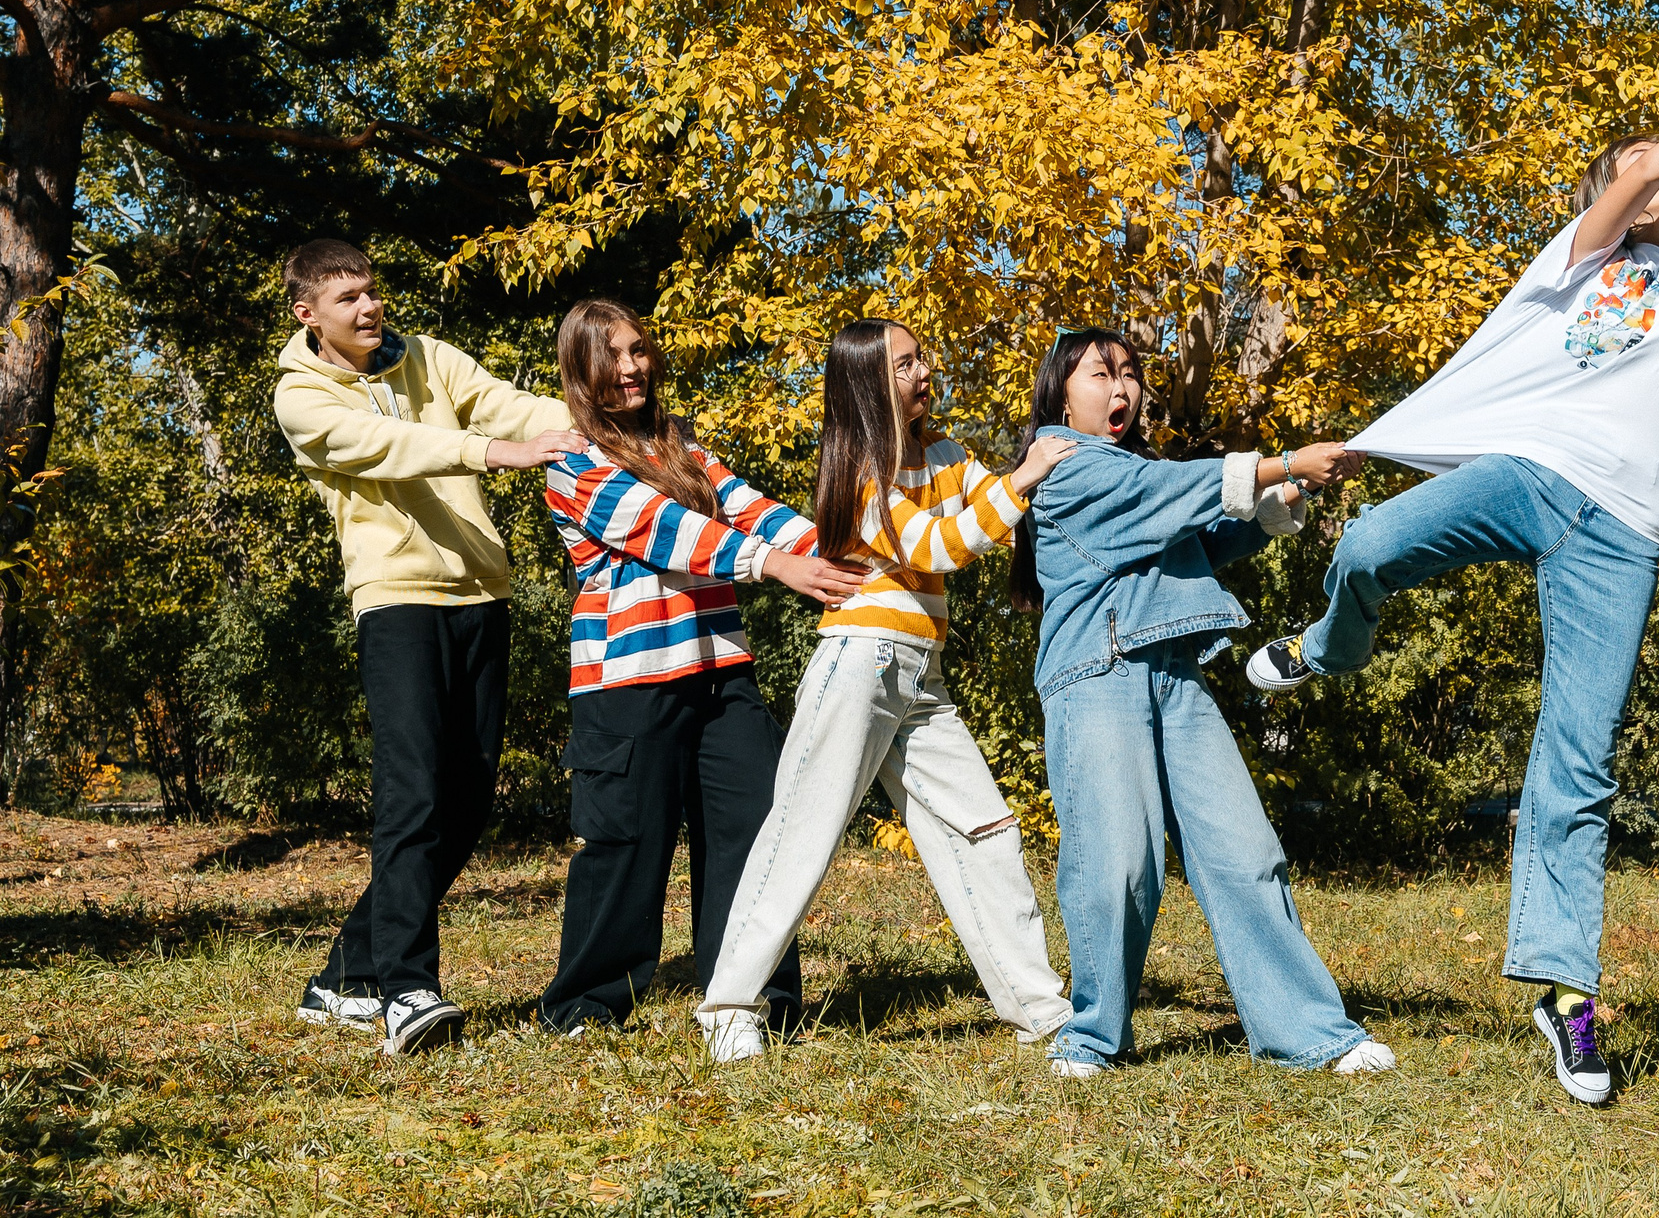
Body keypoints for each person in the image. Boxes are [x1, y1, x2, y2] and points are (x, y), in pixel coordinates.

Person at [1245, 0, 1659, 1104]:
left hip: (1620, 536)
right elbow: (1654, 169)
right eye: (1638, 162)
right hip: (1522, 477)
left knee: (1577, 760)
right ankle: (1331, 646)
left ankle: (1563, 991)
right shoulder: (1573, 264)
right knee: (1364, 547)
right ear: (1607, 192)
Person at [694, 318, 1081, 1062]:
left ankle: (1038, 1004)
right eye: (904, 364)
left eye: (921, 357)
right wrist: (1026, 476)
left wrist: (1043, 468)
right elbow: (938, 545)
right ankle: (730, 1005)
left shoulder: (946, 454)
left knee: (983, 827)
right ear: (868, 381)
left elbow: (994, 513)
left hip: (921, 675)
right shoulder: (860, 469)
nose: (922, 371)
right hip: (860, 661)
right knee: (805, 824)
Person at [1020, 328, 1393, 1078]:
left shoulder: (1136, 468)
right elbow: (1160, 495)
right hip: (1097, 672)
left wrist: (1283, 496)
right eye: (1101, 374)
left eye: (1131, 373)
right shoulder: (1062, 467)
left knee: (1244, 851)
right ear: (1061, 391)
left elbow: (1202, 537)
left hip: (1174, 673)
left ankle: (1310, 1031)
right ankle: (1093, 1033)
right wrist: (1280, 461)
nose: (1122, 388)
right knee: (1119, 861)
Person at [273, 238, 584, 1055]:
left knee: (468, 801)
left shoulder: (431, 358)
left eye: (373, 292)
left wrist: (604, 424)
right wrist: (490, 454)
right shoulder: (300, 398)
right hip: (397, 602)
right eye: (349, 300)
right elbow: (390, 449)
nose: (370, 308)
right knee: (411, 793)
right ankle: (407, 990)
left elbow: (510, 407)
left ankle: (341, 976)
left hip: (481, 595)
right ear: (309, 314)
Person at [536, 299, 868, 1035]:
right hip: (628, 683)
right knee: (628, 845)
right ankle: (586, 1004)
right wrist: (773, 565)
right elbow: (670, 532)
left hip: (721, 671)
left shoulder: (677, 444)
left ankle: (754, 999)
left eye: (638, 350)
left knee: (756, 830)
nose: (631, 367)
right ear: (581, 371)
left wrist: (846, 546)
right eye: (611, 356)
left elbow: (751, 508)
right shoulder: (572, 461)